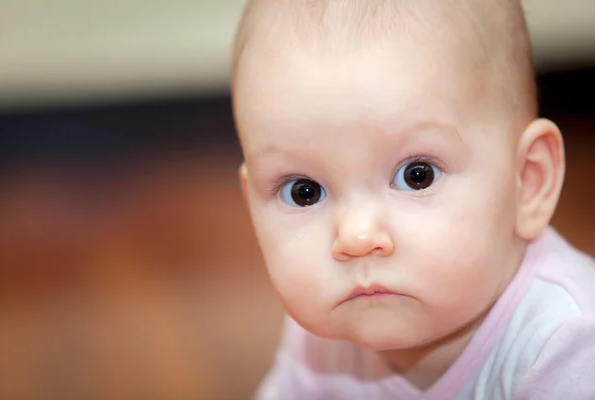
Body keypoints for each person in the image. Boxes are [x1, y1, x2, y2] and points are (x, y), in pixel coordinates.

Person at [230, 0, 595, 398]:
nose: (355, 237)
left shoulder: (566, 343)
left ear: (528, 181)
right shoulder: (322, 335)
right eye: (305, 192)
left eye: (416, 176)